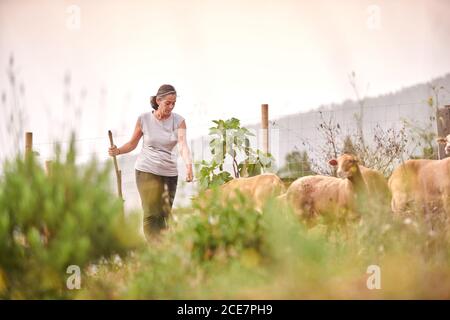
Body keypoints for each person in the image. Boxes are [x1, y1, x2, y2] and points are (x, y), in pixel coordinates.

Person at [108, 84, 193, 241]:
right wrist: (118, 150)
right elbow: (132, 144)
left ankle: (163, 253)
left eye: (174, 103)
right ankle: (154, 250)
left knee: (164, 215)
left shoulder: (179, 121)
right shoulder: (144, 119)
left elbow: (183, 145)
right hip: (146, 170)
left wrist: (188, 165)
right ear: (158, 100)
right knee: (151, 214)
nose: (171, 106)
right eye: (168, 102)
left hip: (169, 173)